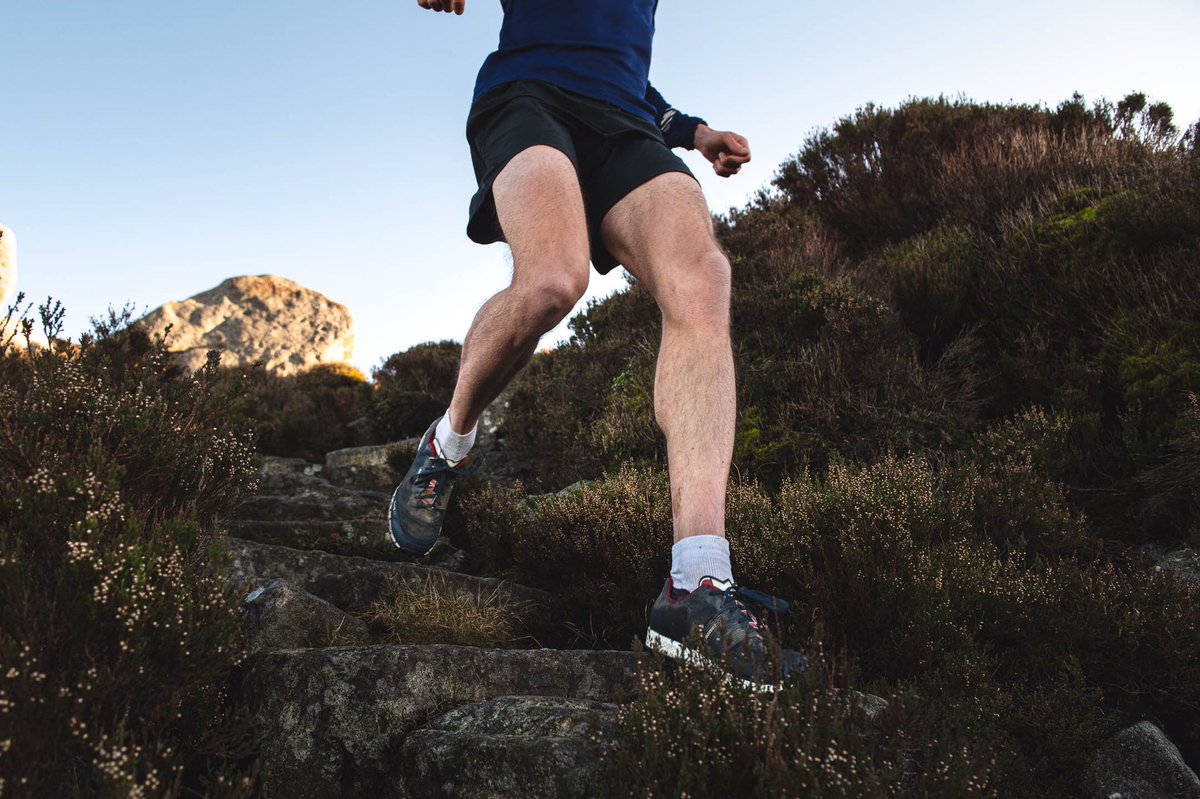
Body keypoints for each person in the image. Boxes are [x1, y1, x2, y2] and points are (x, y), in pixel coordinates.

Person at [388, 0, 806, 690]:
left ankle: (696, 585)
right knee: (553, 279)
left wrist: (694, 131)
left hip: (622, 121)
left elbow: (621, 61)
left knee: (703, 280)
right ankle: (448, 442)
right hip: (528, 100)